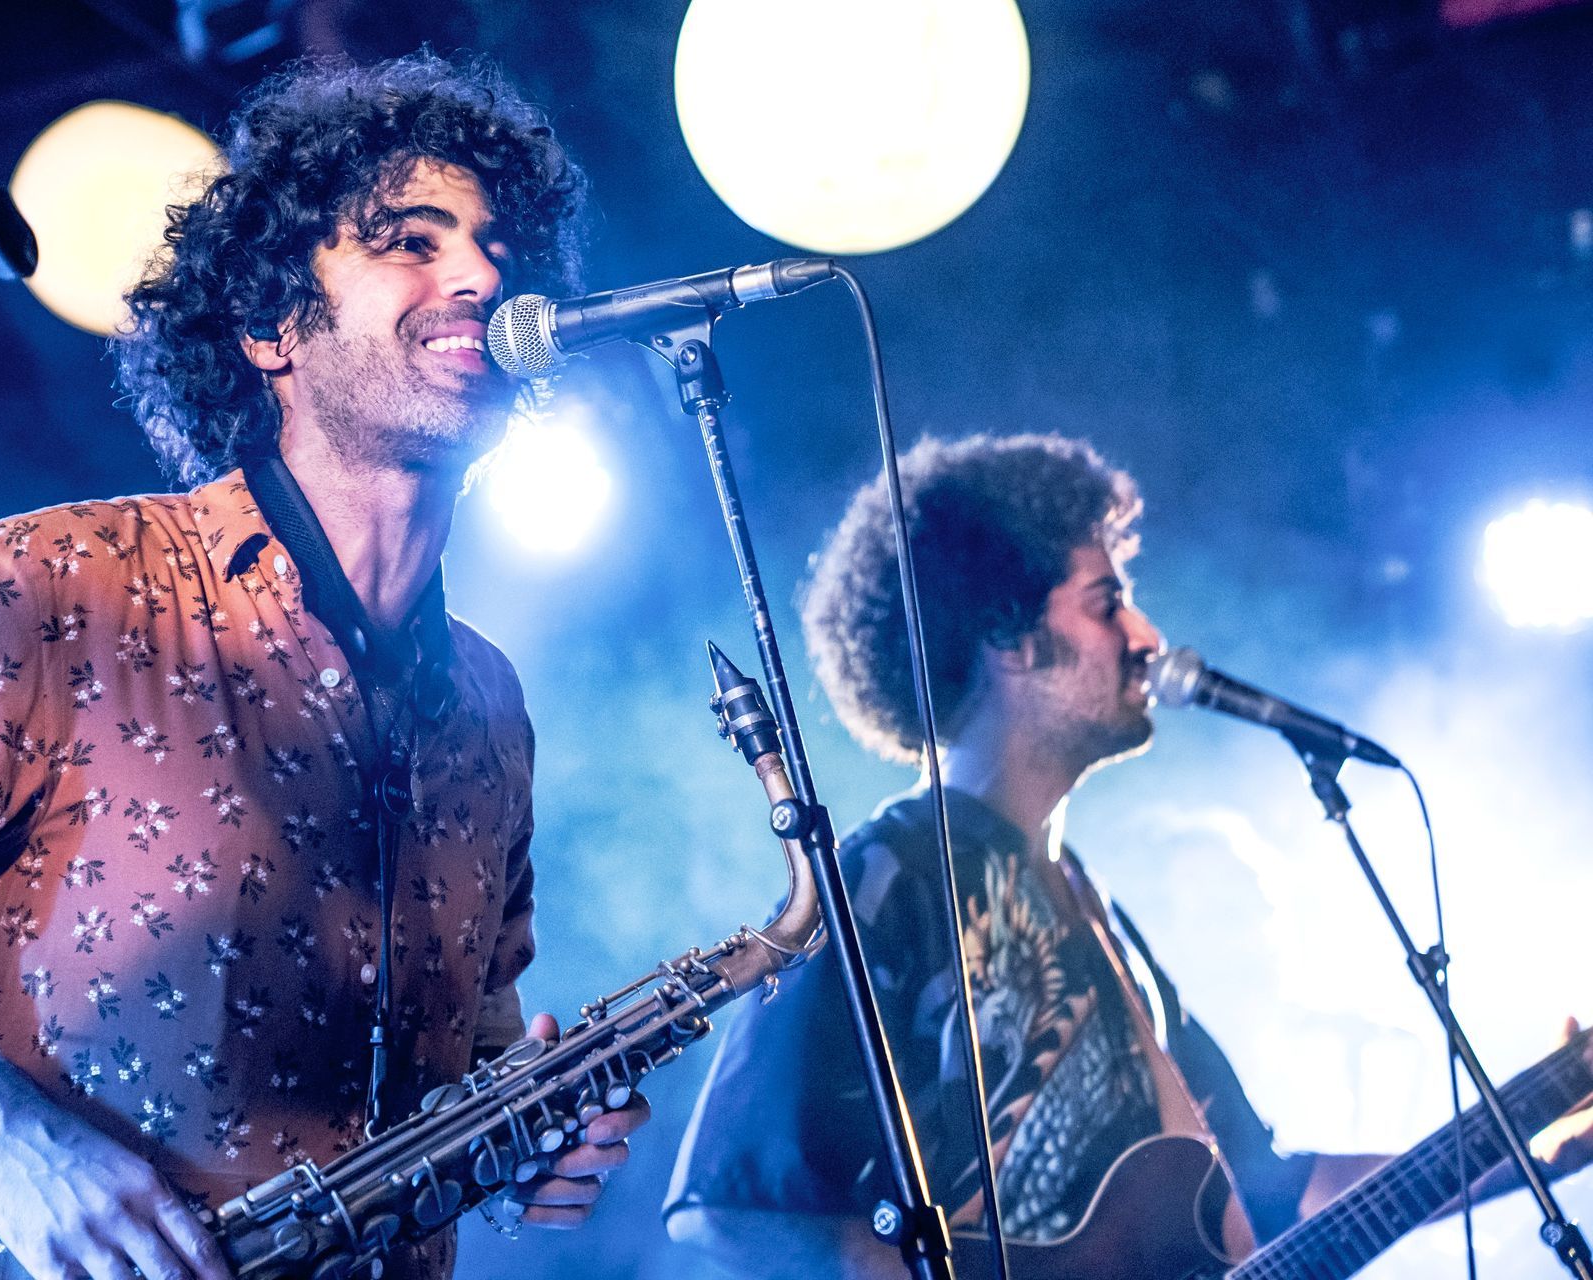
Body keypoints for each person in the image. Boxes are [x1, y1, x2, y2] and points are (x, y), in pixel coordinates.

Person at [0, 54, 645, 1280]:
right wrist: (8, 1137)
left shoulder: (490, 704)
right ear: (271, 325)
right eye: (411, 240)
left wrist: (522, 1133)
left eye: (499, 248)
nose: (481, 277)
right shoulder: (63, 585)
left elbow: (463, 1052)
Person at [663, 433, 1593, 1276]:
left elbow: (1266, 1197)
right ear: (1009, 637)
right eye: (1108, 603)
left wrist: (1541, 1145)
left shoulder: (1098, 915)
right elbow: (731, 1208)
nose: (1147, 638)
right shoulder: (885, 877)